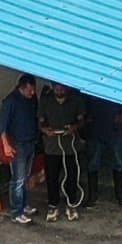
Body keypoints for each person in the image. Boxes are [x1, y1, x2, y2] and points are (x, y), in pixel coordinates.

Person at [0, 73, 42, 226]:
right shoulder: (11, 101)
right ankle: (16, 211)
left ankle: (24, 205)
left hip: (30, 142)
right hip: (17, 145)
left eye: (33, 90)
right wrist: (6, 145)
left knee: (26, 176)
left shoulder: (32, 99)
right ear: (21, 88)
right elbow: (2, 126)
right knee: (18, 179)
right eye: (29, 90)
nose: (32, 93)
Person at [38, 78, 85, 220]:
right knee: (52, 177)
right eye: (57, 89)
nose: (60, 91)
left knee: (72, 176)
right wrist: (45, 130)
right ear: (52, 87)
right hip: (52, 146)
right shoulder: (46, 101)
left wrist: (74, 127)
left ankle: (71, 204)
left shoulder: (76, 100)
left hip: (71, 146)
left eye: (62, 88)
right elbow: (40, 122)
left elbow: (82, 120)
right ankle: (53, 205)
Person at [84, 93, 122, 207]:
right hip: (96, 130)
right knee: (93, 163)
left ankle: (120, 195)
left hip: (115, 131)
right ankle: (92, 195)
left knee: (118, 163)